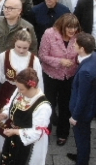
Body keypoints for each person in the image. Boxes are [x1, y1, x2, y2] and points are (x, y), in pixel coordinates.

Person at [0, 30, 43, 150]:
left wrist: (37, 100)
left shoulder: (34, 60)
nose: (21, 50)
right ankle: (1, 148)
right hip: (7, 92)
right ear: (14, 42)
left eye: (25, 48)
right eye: (18, 47)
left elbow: (39, 83)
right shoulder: (4, 55)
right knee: (3, 119)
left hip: (26, 95)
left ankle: (17, 148)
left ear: (29, 45)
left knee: (20, 120)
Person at [0, 67, 51, 165]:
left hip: (29, 143)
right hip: (14, 137)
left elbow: (37, 133)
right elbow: (11, 104)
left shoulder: (43, 106)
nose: (18, 91)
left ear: (32, 87)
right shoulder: (20, 90)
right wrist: (4, 115)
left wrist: (15, 131)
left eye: (21, 89)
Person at [37, 13, 80, 147]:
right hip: (50, 76)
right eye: (69, 27)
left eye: (75, 27)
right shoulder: (49, 34)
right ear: (62, 26)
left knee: (65, 106)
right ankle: (46, 131)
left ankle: (63, 133)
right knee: (48, 105)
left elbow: (80, 55)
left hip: (69, 77)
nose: (72, 30)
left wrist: (76, 62)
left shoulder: (78, 37)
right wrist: (60, 61)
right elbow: (42, 55)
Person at [66, 33, 96, 165]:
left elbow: (82, 96)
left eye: (75, 44)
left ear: (82, 49)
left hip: (82, 111)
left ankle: (82, 161)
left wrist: (75, 117)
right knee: (85, 135)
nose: (73, 45)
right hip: (92, 106)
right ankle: (82, 156)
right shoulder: (94, 56)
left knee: (81, 137)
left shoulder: (85, 72)